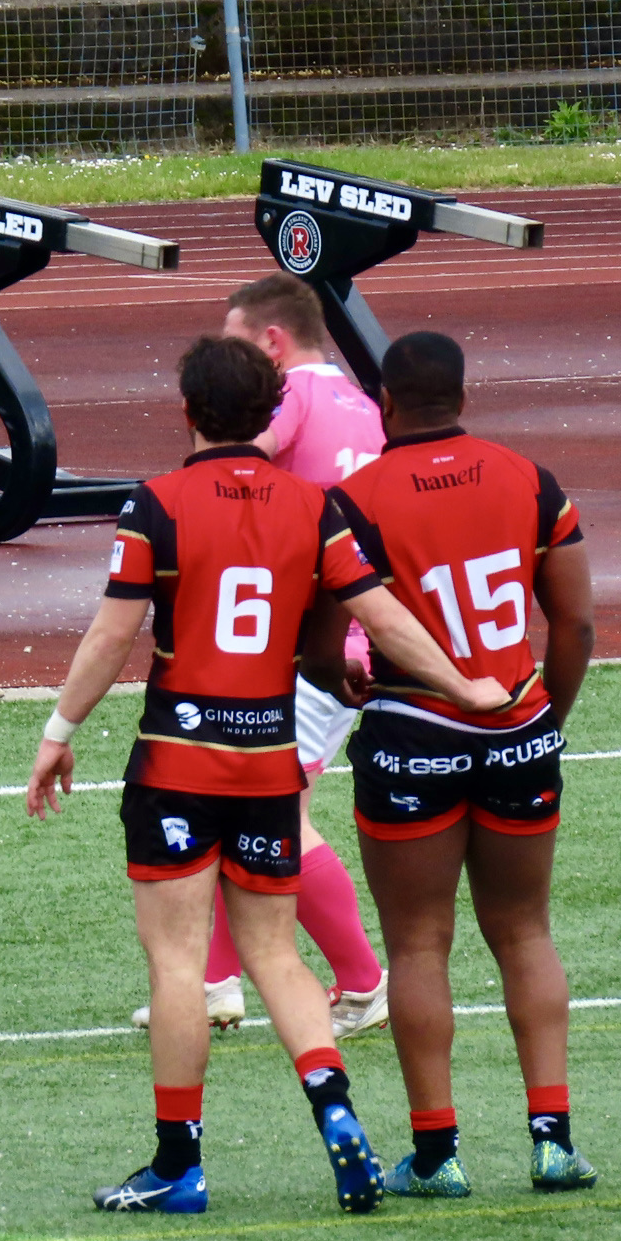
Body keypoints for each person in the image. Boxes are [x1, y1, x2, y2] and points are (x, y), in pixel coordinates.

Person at [26, 336, 507, 1215]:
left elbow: (111, 636)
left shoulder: (156, 504)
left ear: (187, 411)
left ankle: (178, 1166)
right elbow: (383, 619)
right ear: (269, 413)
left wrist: (59, 732)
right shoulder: (314, 507)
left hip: (177, 762)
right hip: (268, 766)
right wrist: (461, 683)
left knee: (178, 965)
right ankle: (335, 1111)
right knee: (278, 955)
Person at [326, 332, 597, 1197]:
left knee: (417, 943)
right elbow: (575, 624)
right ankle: (553, 1142)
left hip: (414, 735)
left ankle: (438, 1154)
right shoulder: (530, 480)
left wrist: (341, 676)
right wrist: (546, 721)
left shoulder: (353, 499)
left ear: (385, 403)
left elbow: (322, 644)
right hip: (519, 729)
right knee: (525, 932)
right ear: (464, 397)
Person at [131, 274, 389, 1037]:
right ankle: (215, 982)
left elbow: (234, 464)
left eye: (236, 341)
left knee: (283, 815)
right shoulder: (360, 402)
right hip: (341, 633)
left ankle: (364, 983)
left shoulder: (295, 394)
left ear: (272, 342)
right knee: (235, 799)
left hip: (305, 645)